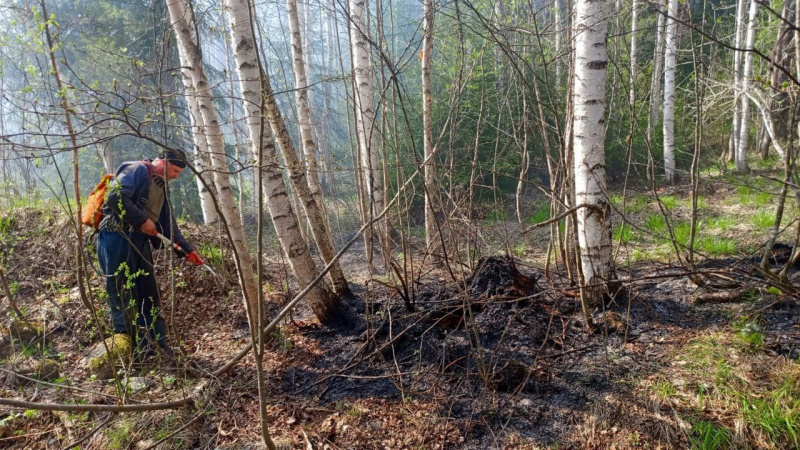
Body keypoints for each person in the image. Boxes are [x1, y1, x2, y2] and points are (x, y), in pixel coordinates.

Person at [96, 149, 204, 361]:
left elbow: (167, 224)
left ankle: (156, 345)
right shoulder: (135, 169)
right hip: (116, 236)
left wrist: (186, 250)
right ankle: (128, 350)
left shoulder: (161, 188)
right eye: (174, 171)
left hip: (138, 241)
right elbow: (115, 196)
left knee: (148, 293)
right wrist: (141, 220)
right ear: (162, 162)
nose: (175, 176)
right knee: (122, 291)